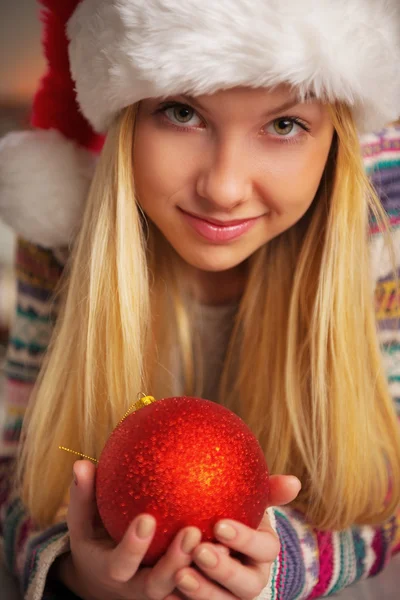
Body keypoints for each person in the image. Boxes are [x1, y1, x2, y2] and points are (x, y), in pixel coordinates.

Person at [0, 1, 399, 599]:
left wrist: (278, 566)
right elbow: (18, 472)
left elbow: (389, 502)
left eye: (284, 124)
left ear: (335, 141)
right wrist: (74, 569)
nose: (224, 187)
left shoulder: (381, 246)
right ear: (128, 119)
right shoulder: (64, 238)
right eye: (182, 112)